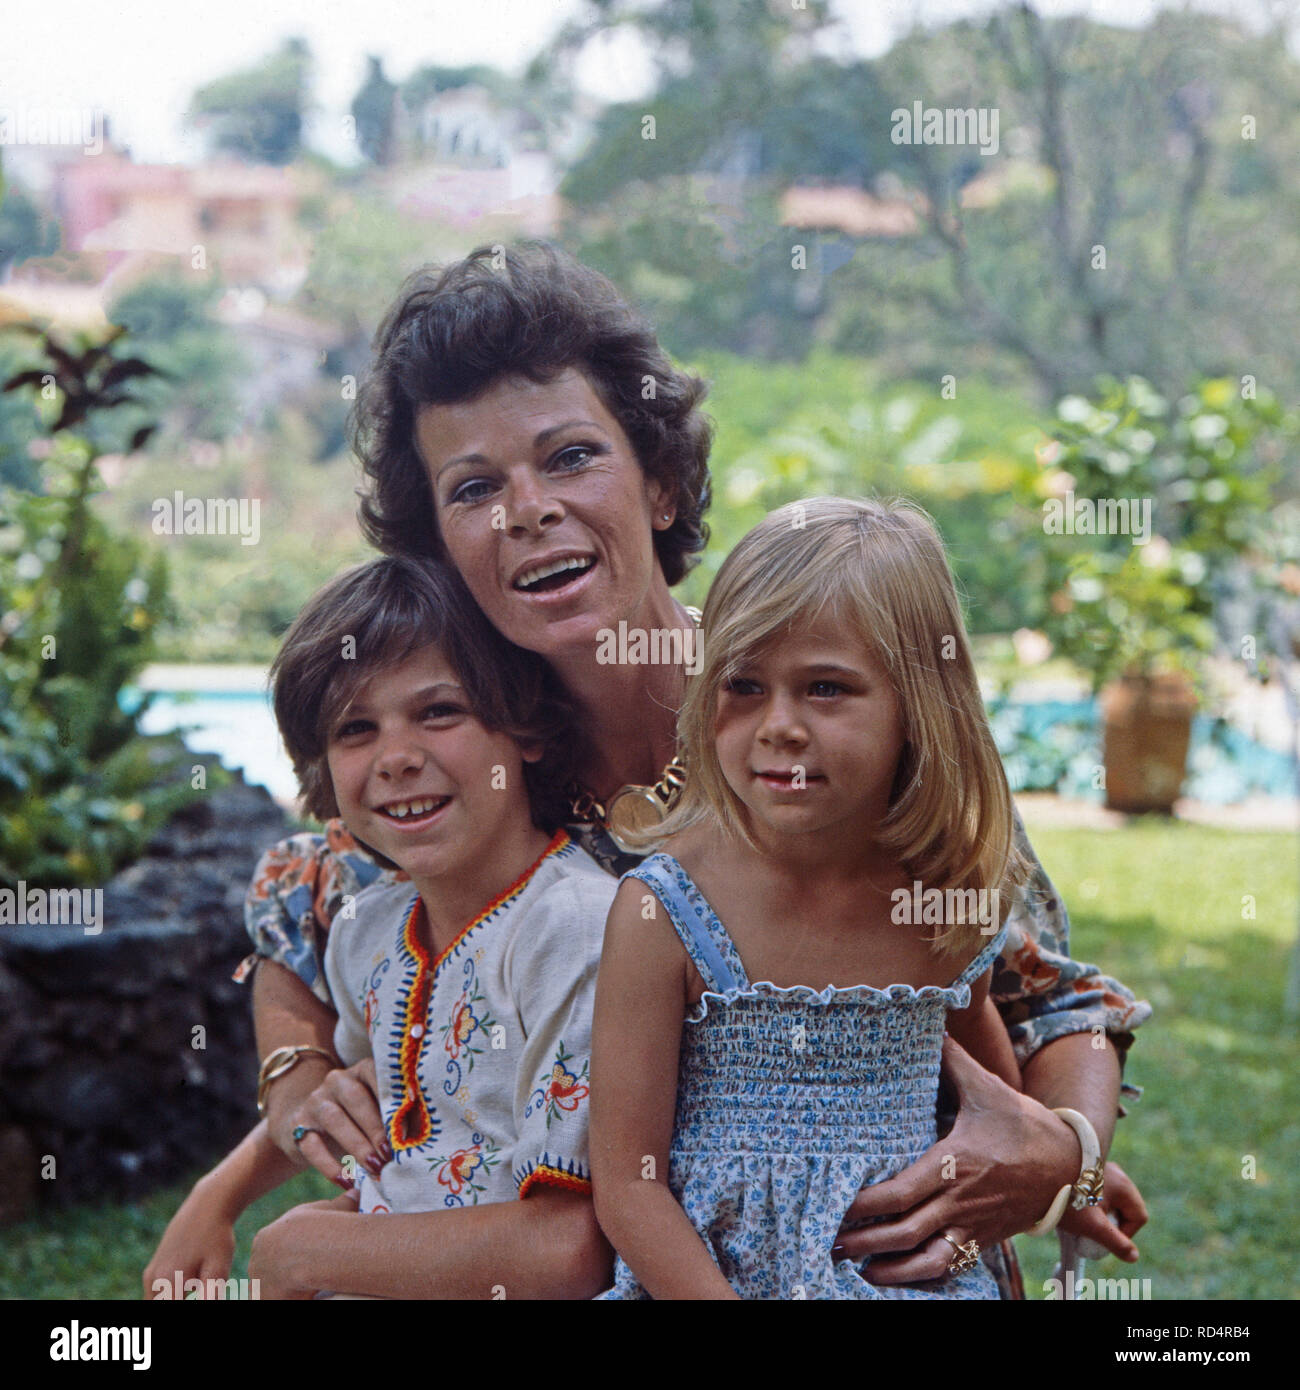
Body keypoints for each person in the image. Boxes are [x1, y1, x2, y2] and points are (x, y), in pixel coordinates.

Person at [144, 243, 1150, 1300]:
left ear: (661, 485)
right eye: (474, 486)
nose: (524, 508)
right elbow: (299, 910)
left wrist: (1062, 1147)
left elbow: (1047, 998)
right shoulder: (468, 767)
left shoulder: (827, 723)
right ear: (440, 542)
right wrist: (295, 1069)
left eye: (569, 456)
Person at [593, 496, 1052, 1298]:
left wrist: (1068, 1174)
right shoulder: (667, 909)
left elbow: (991, 1097)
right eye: (743, 683)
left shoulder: (943, 897)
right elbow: (628, 1187)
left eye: (827, 689)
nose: (780, 726)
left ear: (920, 706)